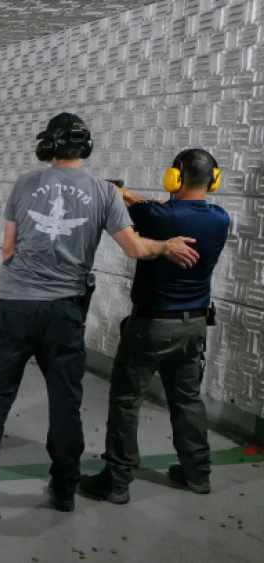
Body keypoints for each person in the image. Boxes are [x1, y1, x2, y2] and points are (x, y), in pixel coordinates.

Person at [0, 113, 202, 530]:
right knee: (65, 404)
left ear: (48, 146)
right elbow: (135, 249)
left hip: (14, 308)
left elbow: (7, 249)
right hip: (65, 312)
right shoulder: (104, 192)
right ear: (86, 147)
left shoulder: (24, 184)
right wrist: (165, 246)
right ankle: (64, 490)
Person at [80, 150, 229, 503]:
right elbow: (154, 207)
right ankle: (197, 473)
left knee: (126, 400)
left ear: (175, 176)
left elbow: (139, 208)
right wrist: (131, 194)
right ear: (213, 180)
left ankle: (116, 481)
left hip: (152, 327)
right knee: (187, 400)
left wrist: (118, 191)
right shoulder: (220, 219)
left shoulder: (156, 216)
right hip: (194, 326)